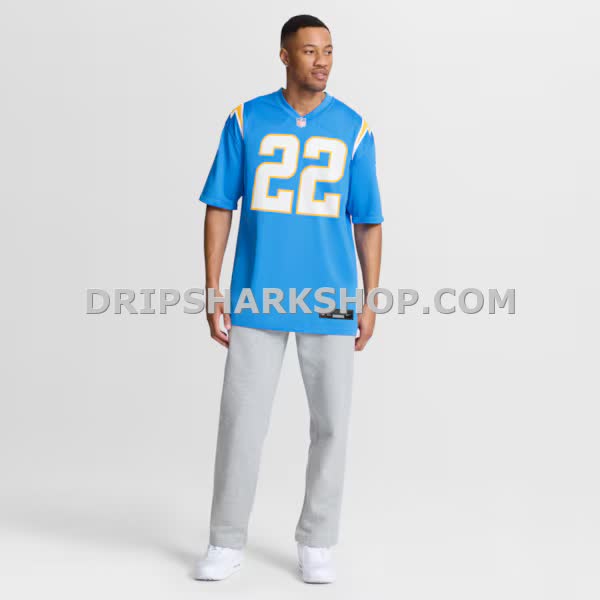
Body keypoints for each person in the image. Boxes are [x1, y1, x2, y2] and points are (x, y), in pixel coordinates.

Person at [194, 14, 384, 584]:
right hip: (258, 291)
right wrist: (213, 288)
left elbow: (368, 220)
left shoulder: (354, 129)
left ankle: (317, 541)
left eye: (328, 50)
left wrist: (370, 297)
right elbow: (219, 205)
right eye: (309, 51)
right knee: (241, 421)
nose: (322, 61)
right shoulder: (246, 119)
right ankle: (225, 540)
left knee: (332, 423)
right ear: (284, 56)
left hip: (331, 295)